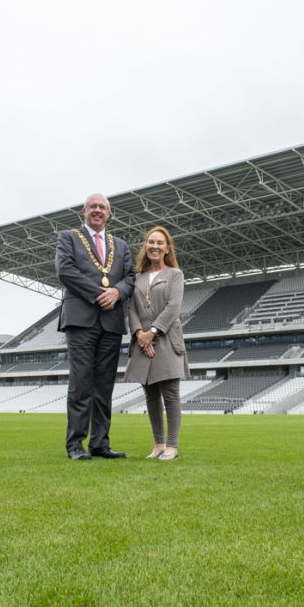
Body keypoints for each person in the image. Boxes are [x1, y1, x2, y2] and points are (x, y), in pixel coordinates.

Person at [55, 193, 136, 460]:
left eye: (102, 207)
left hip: (111, 321)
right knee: (81, 383)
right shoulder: (68, 237)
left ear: (109, 213)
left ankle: (100, 443)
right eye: (93, 206)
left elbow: (130, 277)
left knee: (104, 385)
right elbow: (65, 270)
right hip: (81, 319)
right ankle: (76, 444)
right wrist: (100, 294)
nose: (98, 210)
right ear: (84, 211)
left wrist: (116, 292)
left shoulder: (121, 245)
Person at [124, 226, 188, 460]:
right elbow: (131, 309)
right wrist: (140, 333)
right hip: (142, 341)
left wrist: (152, 332)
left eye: (160, 243)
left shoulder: (175, 275)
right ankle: (158, 444)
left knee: (170, 395)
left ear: (167, 248)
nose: (154, 246)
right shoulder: (137, 278)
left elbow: (173, 307)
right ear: (146, 246)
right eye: (151, 242)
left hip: (167, 340)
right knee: (151, 396)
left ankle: (172, 445)